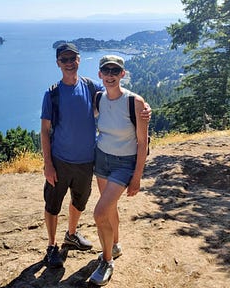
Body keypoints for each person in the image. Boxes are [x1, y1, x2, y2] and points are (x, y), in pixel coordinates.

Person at [40, 44, 151, 268]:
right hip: (61, 160)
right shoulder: (52, 94)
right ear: (58, 63)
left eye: (73, 58)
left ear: (79, 60)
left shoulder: (92, 87)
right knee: (53, 204)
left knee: (79, 202)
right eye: (64, 59)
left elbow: (116, 95)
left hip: (87, 161)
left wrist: (145, 108)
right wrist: (48, 164)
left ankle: (71, 235)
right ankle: (52, 246)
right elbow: (45, 130)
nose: (69, 62)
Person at [89, 55, 149, 286]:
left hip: (125, 164)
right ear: (100, 74)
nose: (111, 75)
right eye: (106, 71)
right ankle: (114, 245)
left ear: (123, 74)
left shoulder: (135, 102)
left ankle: (106, 262)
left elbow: (142, 143)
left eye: (116, 71)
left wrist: (137, 177)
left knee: (99, 212)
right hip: (102, 159)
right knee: (109, 206)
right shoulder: (98, 99)